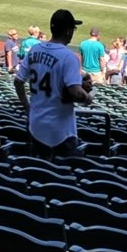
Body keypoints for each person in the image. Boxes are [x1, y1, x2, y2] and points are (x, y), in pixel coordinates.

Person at [14, 8, 94, 157]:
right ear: (68, 31)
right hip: (60, 132)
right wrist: (87, 97)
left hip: (35, 125)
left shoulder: (34, 50)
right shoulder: (69, 57)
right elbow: (75, 93)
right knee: (65, 174)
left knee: (38, 171)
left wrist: (27, 107)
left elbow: (18, 82)